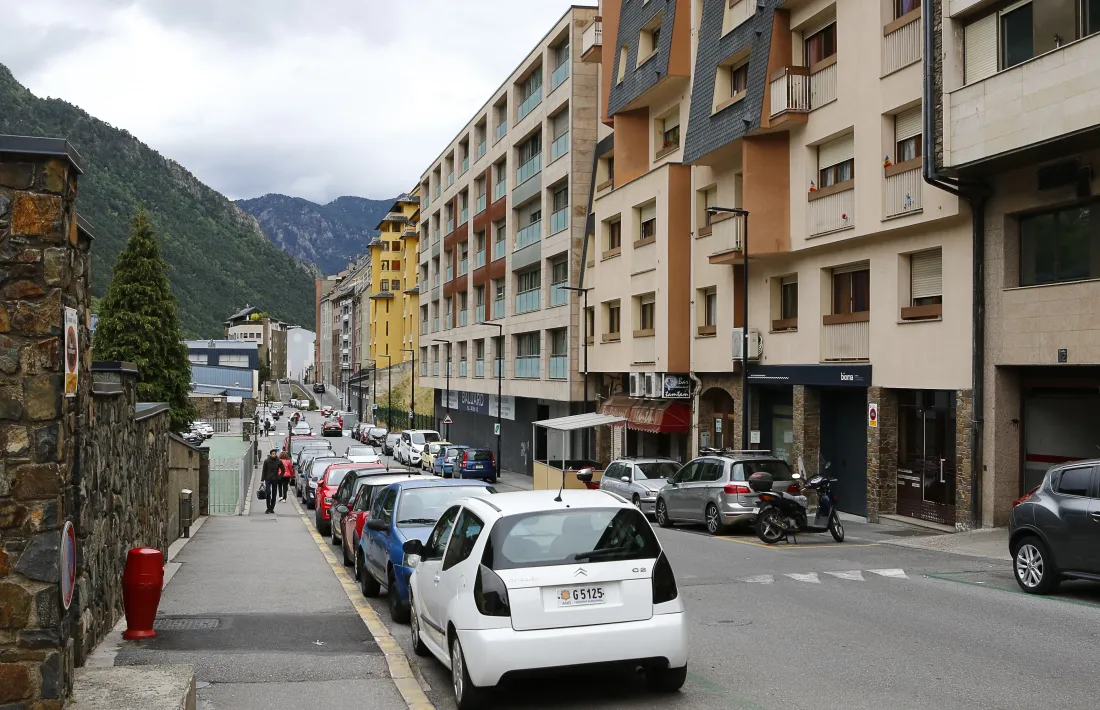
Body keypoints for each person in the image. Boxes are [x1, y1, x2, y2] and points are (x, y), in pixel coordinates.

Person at [261, 449, 282, 514]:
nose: (274, 455)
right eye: (273, 454)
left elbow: (283, 470)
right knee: (268, 492)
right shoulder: (266, 461)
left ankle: (272, 508)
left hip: (275, 479)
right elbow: (264, 471)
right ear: (270, 454)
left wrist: (279, 477)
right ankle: (268, 507)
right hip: (268, 479)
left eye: (275, 454)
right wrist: (262, 480)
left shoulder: (278, 461)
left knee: (274, 494)